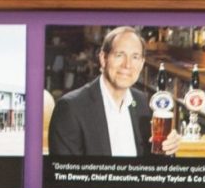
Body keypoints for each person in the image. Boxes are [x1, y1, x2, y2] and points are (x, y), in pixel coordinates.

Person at [48, 26, 180, 158]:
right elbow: (65, 174)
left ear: (141, 64)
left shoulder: (142, 102)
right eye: (119, 55)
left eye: (135, 57)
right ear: (103, 59)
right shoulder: (71, 108)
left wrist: (168, 150)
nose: (127, 65)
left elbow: (153, 167)